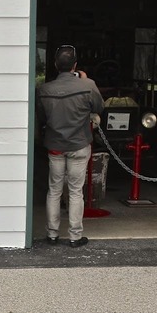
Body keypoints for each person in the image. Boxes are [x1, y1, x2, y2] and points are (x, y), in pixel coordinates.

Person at [37, 45, 104, 247]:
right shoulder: (88, 85)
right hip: (79, 144)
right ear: (75, 65)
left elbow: (41, 119)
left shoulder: (44, 89)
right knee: (76, 191)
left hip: (55, 146)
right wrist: (83, 81)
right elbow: (99, 107)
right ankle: (75, 236)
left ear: (56, 65)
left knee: (54, 190)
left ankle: (52, 234)